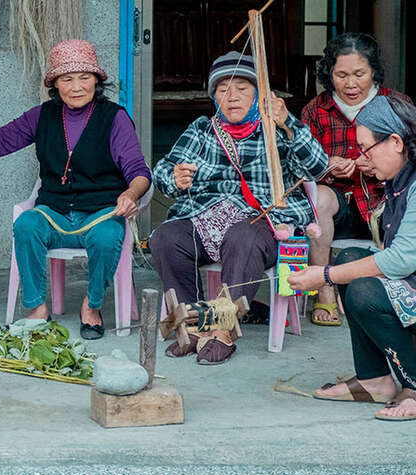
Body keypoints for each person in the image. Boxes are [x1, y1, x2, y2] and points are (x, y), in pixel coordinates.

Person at [0, 39, 151, 340]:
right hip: (54, 215)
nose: (77, 86)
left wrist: (130, 194)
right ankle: (37, 308)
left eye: (84, 77)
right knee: (26, 223)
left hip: (101, 214)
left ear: (96, 81)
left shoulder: (114, 118)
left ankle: (91, 307)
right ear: (55, 84)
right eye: (67, 79)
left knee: (107, 236)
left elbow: (139, 173)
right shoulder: (42, 116)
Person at [150, 52, 328, 364]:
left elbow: (318, 168)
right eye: (222, 90)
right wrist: (175, 178)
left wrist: (288, 123)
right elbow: (163, 170)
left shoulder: (278, 128)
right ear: (214, 96)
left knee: (242, 237)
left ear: (259, 93)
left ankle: (222, 330)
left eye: (242, 88)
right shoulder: (203, 130)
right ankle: (191, 326)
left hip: (263, 222)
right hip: (205, 221)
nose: (232, 97)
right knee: (165, 237)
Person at [289, 96, 416, 421]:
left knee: (361, 288)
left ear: (396, 142)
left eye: (366, 149)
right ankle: (375, 380)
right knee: (350, 258)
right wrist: (336, 270)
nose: (362, 158)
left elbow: (401, 260)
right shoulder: (399, 181)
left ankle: (413, 386)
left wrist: (324, 276)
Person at [301, 33, 413, 326]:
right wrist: (326, 166)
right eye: (341, 75)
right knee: (319, 198)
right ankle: (324, 290)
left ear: (373, 71)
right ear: (329, 74)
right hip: (336, 207)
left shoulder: (396, 104)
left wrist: (377, 163)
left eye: (359, 74)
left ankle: (391, 290)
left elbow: (410, 159)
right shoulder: (316, 110)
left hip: (381, 202)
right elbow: (299, 164)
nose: (351, 83)